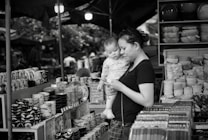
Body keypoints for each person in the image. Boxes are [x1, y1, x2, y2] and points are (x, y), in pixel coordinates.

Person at [108, 28, 155, 140]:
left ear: (136, 45)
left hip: (127, 125)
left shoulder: (144, 67)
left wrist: (121, 87)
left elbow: (148, 101)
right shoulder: (133, 64)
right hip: (121, 123)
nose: (122, 52)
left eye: (124, 48)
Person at [97, 37, 130, 119]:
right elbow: (104, 74)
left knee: (123, 98)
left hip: (123, 82)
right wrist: (101, 84)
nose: (113, 54)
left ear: (119, 48)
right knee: (110, 96)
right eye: (110, 52)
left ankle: (109, 110)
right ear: (106, 53)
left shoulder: (125, 58)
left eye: (115, 50)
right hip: (111, 83)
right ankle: (108, 109)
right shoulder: (107, 61)